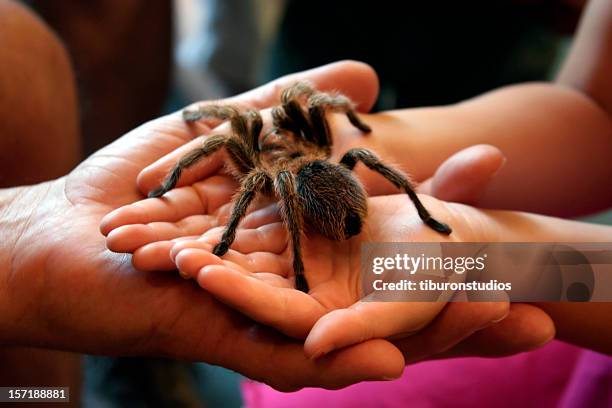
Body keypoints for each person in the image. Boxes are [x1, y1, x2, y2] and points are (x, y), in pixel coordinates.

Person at [102, 0, 612, 405]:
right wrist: (387, 137)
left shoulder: (257, 162)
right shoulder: (328, 145)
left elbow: (251, 141)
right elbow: (596, 111)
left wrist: (490, 255)